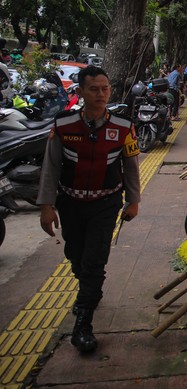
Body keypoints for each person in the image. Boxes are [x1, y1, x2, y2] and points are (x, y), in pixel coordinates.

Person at [37, 66, 141, 354]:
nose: (101, 94)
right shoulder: (63, 124)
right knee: (76, 255)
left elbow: (131, 167)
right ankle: (89, 290)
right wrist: (46, 206)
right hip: (69, 203)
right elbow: (51, 167)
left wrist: (133, 201)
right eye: (94, 89)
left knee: (95, 260)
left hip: (106, 203)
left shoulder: (123, 126)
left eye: (105, 88)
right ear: (80, 92)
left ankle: (83, 322)